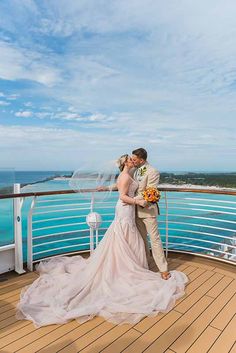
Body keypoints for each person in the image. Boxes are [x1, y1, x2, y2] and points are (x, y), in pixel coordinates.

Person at [16, 154, 188, 328]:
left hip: (129, 210)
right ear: (124, 163)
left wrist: (107, 188)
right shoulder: (125, 175)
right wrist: (140, 201)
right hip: (126, 208)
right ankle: (125, 268)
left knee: (127, 237)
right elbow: (122, 195)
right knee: (123, 235)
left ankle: (129, 265)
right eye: (129, 160)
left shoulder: (132, 173)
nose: (132, 161)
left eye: (134, 159)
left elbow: (126, 185)